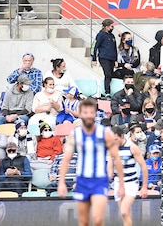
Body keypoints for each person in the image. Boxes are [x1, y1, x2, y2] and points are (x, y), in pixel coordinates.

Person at [58, 98, 126, 226]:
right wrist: (61, 181)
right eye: (85, 112)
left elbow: (116, 157)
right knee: (83, 221)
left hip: (99, 180)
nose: (88, 115)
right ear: (81, 113)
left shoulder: (104, 133)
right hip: (82, 180)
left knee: (97, 219)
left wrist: (121, 184)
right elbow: (66, 159)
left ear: (95, 113)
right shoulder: (75, 134)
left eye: (91, 112)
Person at [112, 126, 148, 226]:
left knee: (124, 211)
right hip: (118, 182)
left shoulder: (132, 147)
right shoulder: (112, 148)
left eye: (116, 139)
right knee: (125, 214)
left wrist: (144, 187)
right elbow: (110, 167)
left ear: (122, 136)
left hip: (131, 182)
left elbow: (144, 166)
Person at [91, 18, 117, 98]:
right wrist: (94, 58)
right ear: (106, 27)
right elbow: (94, 46)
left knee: (111, 75)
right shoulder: (101, 35)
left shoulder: (112, 36)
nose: (113, 28)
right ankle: (107, 92)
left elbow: (114, 48)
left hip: (111, 58)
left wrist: (115, 60)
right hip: (104, 57)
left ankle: (109, 91)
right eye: (111, 26)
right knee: (107, 74)